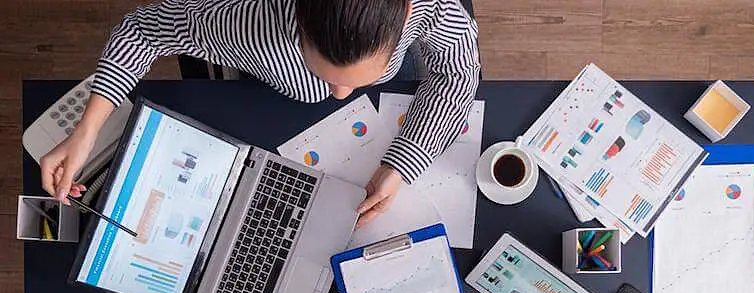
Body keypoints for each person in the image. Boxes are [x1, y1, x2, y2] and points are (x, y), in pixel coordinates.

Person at [39, 0, 480, 227]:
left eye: (361, 77)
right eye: (322, 72)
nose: (341, 95)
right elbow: (142, 31)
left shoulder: (430, 7)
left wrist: (403, 163)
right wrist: (87, 130)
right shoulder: (245, 23)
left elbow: (459, 69)